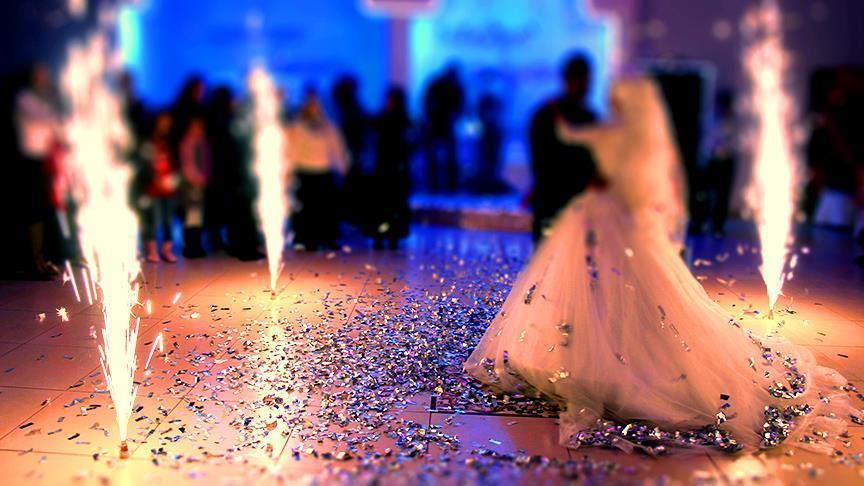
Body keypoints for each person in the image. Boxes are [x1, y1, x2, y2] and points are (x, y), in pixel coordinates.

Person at [464, 78, 851, 454]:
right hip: (600, 219)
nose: (613, 107)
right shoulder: (625, 136)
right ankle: (587, 354)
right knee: (588, 291)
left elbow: (630, 184)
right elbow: (585, 143)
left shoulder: (634, 141)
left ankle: (611, 361)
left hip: (615, 224)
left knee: (619, 291)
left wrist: (607, 186)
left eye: (619, 102)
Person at [529, 53, 598, 242]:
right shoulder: (550, 115)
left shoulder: (587, 116)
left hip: (566, 203)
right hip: (558, 202)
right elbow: (543, 162)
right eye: (583, 80)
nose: (586, 86)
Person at [13, 63, 63, 278]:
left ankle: (41, 260)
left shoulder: (39, 100)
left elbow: (57, 126)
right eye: (42, 75)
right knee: (33, 210)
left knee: (42, 210)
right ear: (33, 77)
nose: (46, 78)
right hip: (28, 163)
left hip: (42, 162)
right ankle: (34, 262)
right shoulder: (24, 98)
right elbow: (48, 119)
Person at [285, 89, 349, 250]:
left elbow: (337, 148)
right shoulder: (297, 127)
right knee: (304, 209)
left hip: (323, 172)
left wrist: (342, 168)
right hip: (304, 172)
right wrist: (288, 171)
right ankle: (304, 238)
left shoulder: (329, 127)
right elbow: (291, 150)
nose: (314, 110)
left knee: (325, 208)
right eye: (311, 106)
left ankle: (326, 237)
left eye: (316, 106)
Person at [367, 86, 414, 249]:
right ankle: (384, 234)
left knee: (390, 202)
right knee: (386, 202)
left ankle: (390, 234)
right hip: (388, 168)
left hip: (393, 168)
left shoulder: (398, 121)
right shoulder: (398, 120)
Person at [138, 112, 180, 263]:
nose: (165, 126)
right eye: (162, 123)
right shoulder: (148, 143)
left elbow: (176, 164)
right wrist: (155, 179)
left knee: (168, 220)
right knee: (153, 220)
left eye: (168, 124)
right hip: (153, 189)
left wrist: (173, 180)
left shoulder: (171, 143)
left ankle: (167, 251)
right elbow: (144, 166)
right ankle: (152, 251)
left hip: (169, 188)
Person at [422, 65, 464, 193]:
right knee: (436, 156)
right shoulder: (438, 85)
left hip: (445, 124)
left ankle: (449, 184)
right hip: (436, 123)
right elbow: (427, 102)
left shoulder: (453, 86)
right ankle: (437, 184)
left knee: (449, 156)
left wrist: (453, 117)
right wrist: (432, 114)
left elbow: (460, 105)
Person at [179, 117, 210, 258]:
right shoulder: (188, 142)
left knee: (197, 217)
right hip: (191, 185)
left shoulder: (202, 142)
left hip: (199, 183)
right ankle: (191, 247)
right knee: (192, 216)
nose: (199, 129)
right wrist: (197, 179)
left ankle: (195, 245)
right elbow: (188, 165)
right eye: (196, 126)